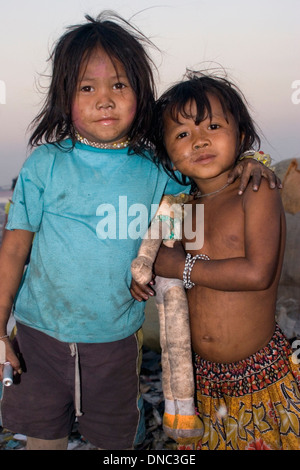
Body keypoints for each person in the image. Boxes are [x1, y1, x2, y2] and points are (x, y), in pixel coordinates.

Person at [0, 12, 278, 451]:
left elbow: (203, 185)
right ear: (63, 97)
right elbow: (15, 248)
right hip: (39, 333)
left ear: (140, 93)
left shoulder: (154, 168)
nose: (104, 100)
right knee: (42, 438)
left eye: (119, 85)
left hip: (116, 339)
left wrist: (251, 160)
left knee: (116, 441)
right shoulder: (45, 164)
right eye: (86, 88)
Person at [151, 72, 300, 450]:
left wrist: (180, 267)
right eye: (181, 134)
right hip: (202, 384)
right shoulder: (182, 210)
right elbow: (163, 275)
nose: (199, 140)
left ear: (242, 135)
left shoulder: (255, 188)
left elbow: (257, 273)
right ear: (168, 154)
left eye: (214, 125)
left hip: (262, 377)